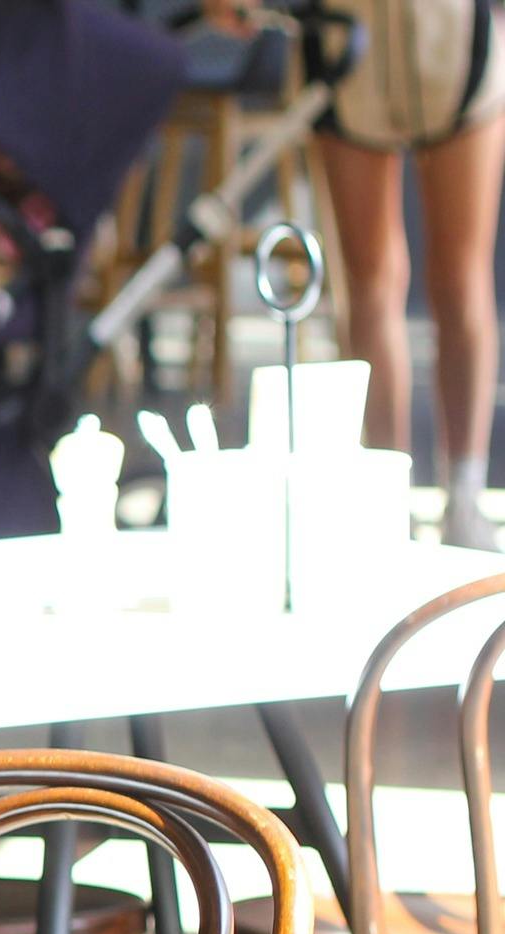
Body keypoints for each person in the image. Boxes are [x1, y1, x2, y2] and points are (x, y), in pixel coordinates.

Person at [214, 0, 504, 549]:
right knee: (370, 283)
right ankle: (387, 499)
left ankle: (465, 493)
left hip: (457, 41)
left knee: (462, 279)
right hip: (346, 50)